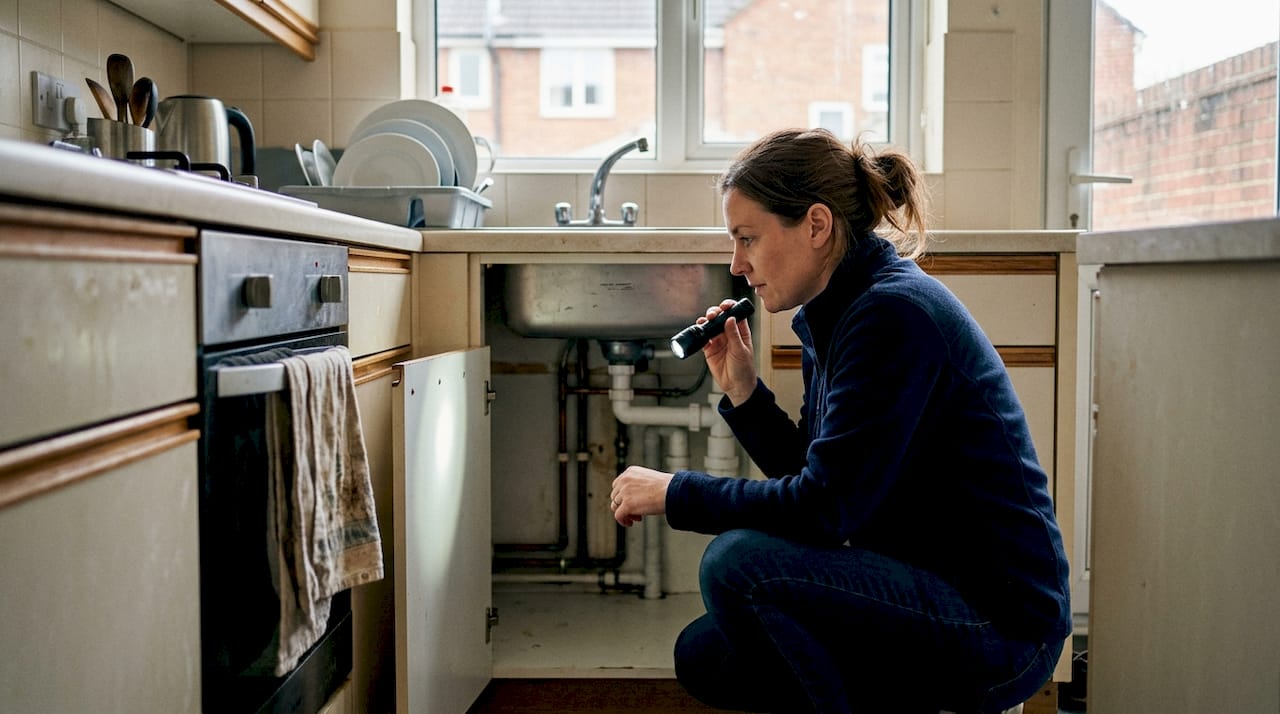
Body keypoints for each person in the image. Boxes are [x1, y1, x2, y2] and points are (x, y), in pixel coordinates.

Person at [607, 128, 1071, 714]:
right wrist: (744, 392)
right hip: (924, 579)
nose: (737, 263)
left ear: (817, 225)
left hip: (999, 625)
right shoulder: (839, 309)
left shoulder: (890, 316)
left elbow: (825, 511)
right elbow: (821, 478)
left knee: (736, 566)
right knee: (708, 653)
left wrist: (677, 492)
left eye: (748, 238)